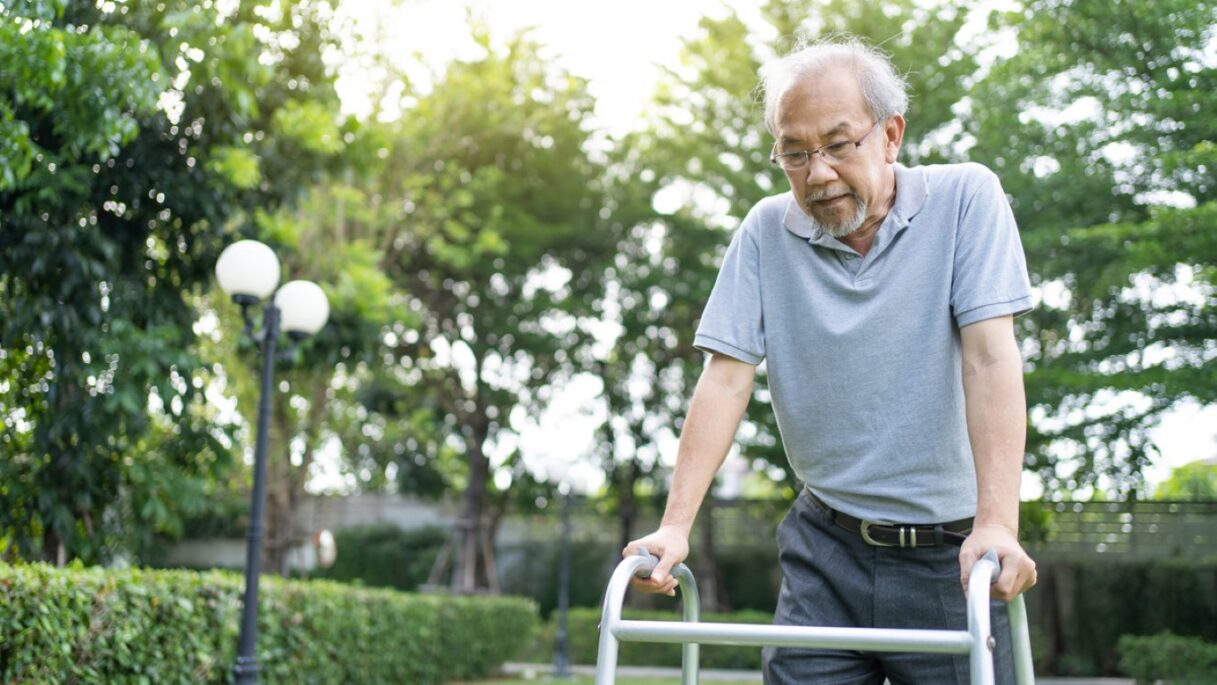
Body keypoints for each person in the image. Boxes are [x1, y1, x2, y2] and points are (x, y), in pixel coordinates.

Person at [623, 37, 1038, 684]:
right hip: (825, 545)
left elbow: (989, 360)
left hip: (948, 554)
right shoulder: (765, 231)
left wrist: (996, 523)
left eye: (838, 144)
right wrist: (675, 527)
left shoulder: (965, 201)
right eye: (793, 152)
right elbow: (725, 379)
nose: (816, 173)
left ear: (890, 135)